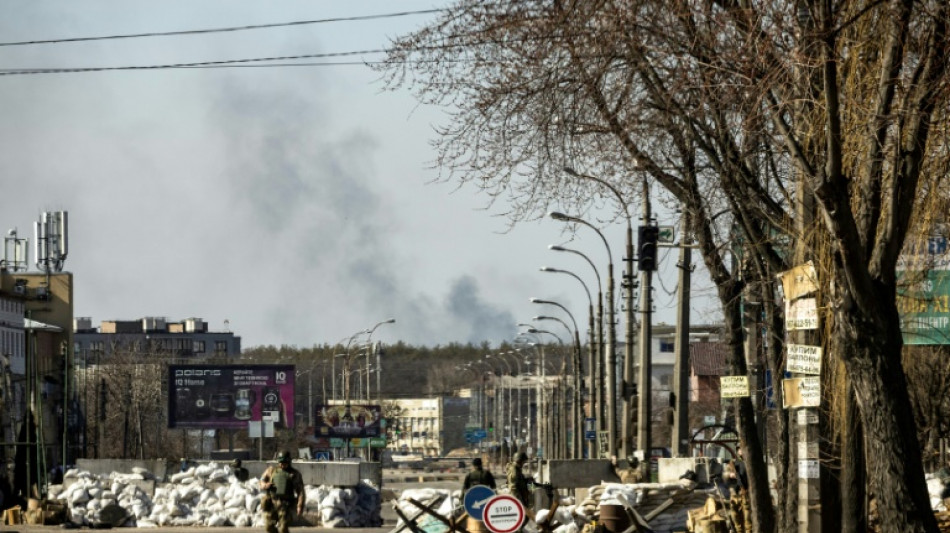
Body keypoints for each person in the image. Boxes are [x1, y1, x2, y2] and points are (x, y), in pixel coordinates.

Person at [260, 451, 306, 533]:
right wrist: (265, 485)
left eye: (284, 463)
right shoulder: (271, 471)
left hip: (286, 504)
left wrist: (300, 506)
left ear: (288, 462)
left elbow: (300, 492)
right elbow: (261, 480)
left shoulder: (294, 474)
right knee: (268, 527)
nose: (282, 465)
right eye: (280, 462)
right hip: (272, 502)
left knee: (283, 528)